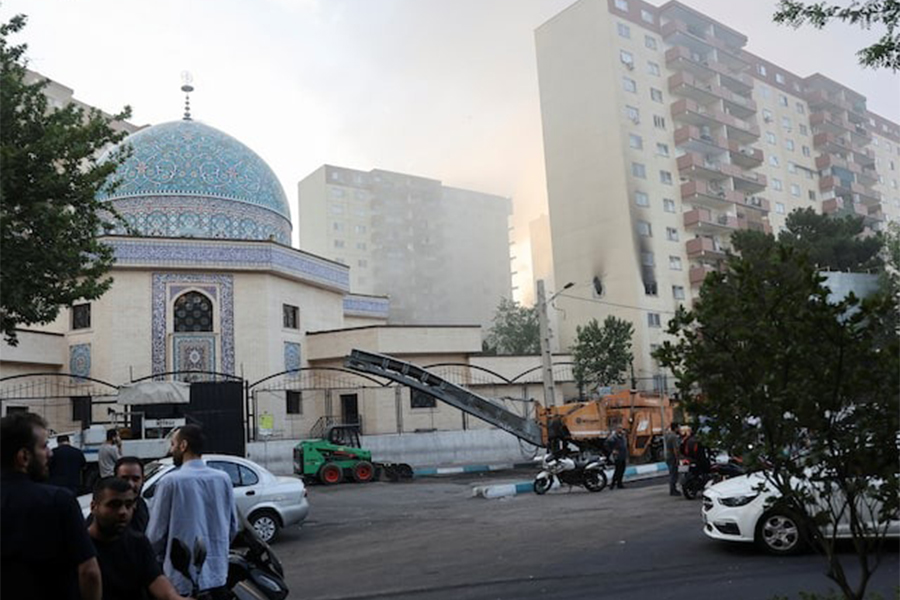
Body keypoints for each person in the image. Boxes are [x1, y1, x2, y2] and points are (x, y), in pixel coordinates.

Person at [1, 412, 102, 600]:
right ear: (24, 456)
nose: (50, 453)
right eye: (44, 446)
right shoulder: (59, 501)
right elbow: (89, 572)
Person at [146, 425, 238, 598]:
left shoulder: (170, 482)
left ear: (183, 446)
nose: (171, 449)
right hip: (218, 577)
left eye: (173, 444)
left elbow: (155, 535)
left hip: (180, 583)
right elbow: (232, 528)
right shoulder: (223, 479)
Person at [88, 477, 190, 600]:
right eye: (114, 505)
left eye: (128, 505)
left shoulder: (138, 542)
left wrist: (174, 597)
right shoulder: (78, 546)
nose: (123, 512)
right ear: (94, 507)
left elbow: (155, 579)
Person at [115, 456, 150, 533]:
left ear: (143, 480)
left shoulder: (142, 506)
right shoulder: (106, 511)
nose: (130, 484)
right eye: (124, 479)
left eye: (135, 479)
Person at [664, 422, 682, 496]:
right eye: (678, 427)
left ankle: (672, 489)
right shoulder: (674, 437)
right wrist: (677, 458)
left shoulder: (668, 435)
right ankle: (673, 490)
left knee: (671, 473)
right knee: (674, 474)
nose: (679, 429)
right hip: (672, 457)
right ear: (676, 428)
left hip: (668, 456)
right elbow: (676, 449)